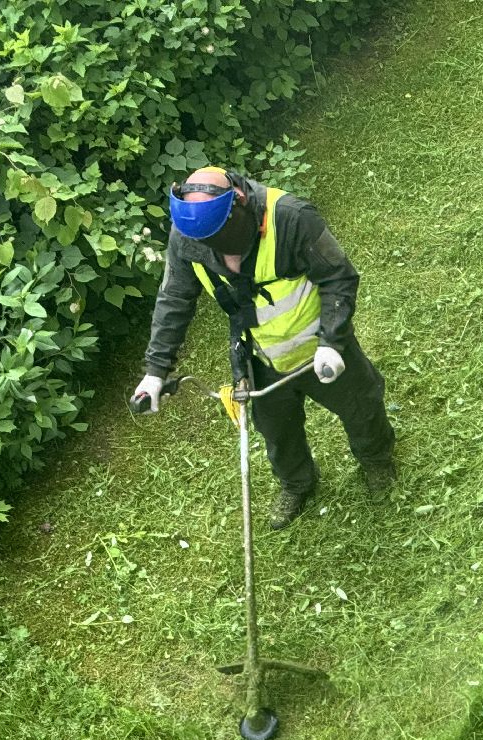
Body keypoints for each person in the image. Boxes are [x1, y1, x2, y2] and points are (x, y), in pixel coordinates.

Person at [132, 167, 396, 529]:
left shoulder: (290, 217)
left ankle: (377, 460)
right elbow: (174, 299)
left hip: (319, 347)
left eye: (220, 236)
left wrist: (332, 342)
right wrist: (154, 371)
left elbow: (339, 276)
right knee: (276, 431)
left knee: (361, 405)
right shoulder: (188, 235)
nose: (213, 248)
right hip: (259, 355)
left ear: (237, 204)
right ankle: (297, 483)